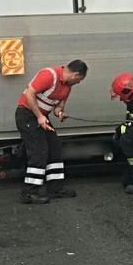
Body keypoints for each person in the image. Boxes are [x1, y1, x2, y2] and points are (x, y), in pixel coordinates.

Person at [16, 60, 88, 205]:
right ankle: (29, 193)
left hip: (41, 117)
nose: (78, 83)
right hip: (27, 115)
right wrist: (40, 116)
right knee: (39, 151)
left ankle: (55, 188)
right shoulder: (49, 75)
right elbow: (30, 93)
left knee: (54, 147)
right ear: (75, 74)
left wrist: (60, 113)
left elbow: (58, 108)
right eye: (79, 80)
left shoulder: (67, 86)